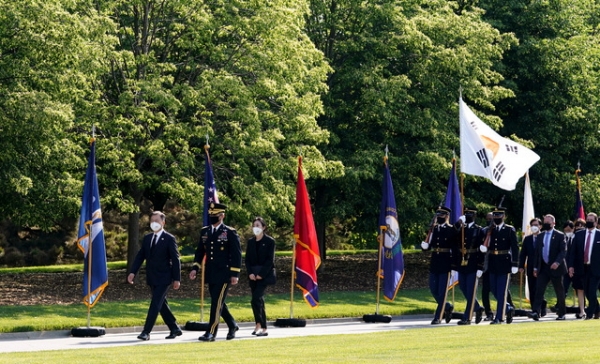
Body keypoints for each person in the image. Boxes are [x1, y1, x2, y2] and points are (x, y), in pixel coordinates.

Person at [189, 203, 242, 341]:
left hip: (224, 273)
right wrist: (195, 267)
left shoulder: (229, 232)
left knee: (216, 303)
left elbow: (236, 255)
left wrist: (235, 274)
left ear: (222, 215)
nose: (212, 217)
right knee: (217, 302)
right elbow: (200, 251)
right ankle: (232, 324)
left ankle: (211, 332)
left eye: (215, 215)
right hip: (211, 272)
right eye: (210, 215)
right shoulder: (205, 231)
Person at [128, 211, 182, 341]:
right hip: (152, 277)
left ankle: (146, 332)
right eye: (152, 221)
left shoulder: (169, 238)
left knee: (155, 304)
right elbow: (141, 256)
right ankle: (174, 328)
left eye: (157, 221)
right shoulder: (147, 238)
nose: (154, 223)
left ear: (163, 222)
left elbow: (175, 259)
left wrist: (177, 278)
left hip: (164, 277)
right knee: (161, 304)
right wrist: (132, 272)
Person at [480, 207, 519, 325]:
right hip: (492, 262)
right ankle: (508, 308)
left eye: (499, 216)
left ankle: (499, 317)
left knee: (501, 291)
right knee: (493, 288)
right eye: (495, 216)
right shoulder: (490, 230)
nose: (496, 218)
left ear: (504, 217)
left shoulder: (509, 229)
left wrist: (515, 263)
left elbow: (515, 247)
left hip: (504, 262)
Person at [421, 206, 458, 325]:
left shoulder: (451, 230)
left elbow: (455, 249)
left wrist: (453, 266)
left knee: (442, 291)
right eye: (438, 215)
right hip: (435, 262)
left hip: (446, 262)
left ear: (447, 216)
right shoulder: (434, 229)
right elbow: (429, 246)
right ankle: (446, 306)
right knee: (433, 288)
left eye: (441, 215)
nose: (439, 217)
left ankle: (438, 317)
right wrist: (425, 245)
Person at [529, 214, 567, 321]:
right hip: (544, 267)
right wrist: (535, 268)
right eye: (544, 222)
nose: (546, 224)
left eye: (548, 223)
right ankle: (536, 312)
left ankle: (561, 313)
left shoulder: (559, 235)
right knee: (539, 290)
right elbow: (537, 253)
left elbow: (563, 251)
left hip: (556, 267)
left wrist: (557, 262)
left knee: (559, 291)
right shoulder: (541, 236)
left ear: (553, 223)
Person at [453, 207, 485, 325]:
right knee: (463, 287)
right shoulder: (461, 228)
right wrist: (459, 223)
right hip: (462, 262)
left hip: (473, 262)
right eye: (466, 214)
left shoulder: (479, 230)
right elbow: (452, 235)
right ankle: (477, 307)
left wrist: (480, 266)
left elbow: (482, 250)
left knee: (471, 291)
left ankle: (467, 317)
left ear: (474, 216)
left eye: (470, 214)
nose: (467, 216)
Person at [244, 217, 276, 337]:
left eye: (258, 225)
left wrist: (260, 274)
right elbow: (247, 260)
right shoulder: (251, 242)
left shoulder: (270, 241)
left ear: (263, 227)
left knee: (255, 299)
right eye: (254, 225)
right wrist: (250, 273)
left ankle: (264, 327)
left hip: (264, 276)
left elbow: (270, 260)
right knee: (258, 301)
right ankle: (258, 324)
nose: (255, 227)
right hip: (252, 276)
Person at [569, 212, 600, 320]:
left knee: (592, 291)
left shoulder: (599, 234)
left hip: (596, 269)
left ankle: (590, 314)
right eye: (588, 219)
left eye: (592, 220)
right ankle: (597, 309)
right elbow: (573, 252)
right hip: (582, 268)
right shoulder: (579, 234)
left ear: (596, 222)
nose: (589, 222)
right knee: (586, 291)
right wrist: (571, 266)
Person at [518, 218, 545, 314]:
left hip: (542, 267)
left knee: (540, 288)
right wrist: (521, 266)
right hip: (530, 267)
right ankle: (534, 309)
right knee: (532, 288)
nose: (535, 227)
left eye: (536, 225)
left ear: (540, 226)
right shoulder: (527, 239)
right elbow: (523, 254)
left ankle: (542, 306)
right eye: (533, 225)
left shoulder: (544, 237)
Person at [563, 221, 585, 318]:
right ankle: (561, 309)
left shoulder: (581, 238)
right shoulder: (563, 238)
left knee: (581, 290)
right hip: (566, 269)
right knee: (563, 288)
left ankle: (583, 310)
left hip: (579, 269)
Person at [480, 212, 495, 321]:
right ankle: (488, 313)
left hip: (497, 264)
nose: (489, 220)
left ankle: (509, 307)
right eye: (488, 218)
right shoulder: (484, 231)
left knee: (500, 290)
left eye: (491, 218)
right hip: (486, 265)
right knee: (485, 291)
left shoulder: (501, 230)